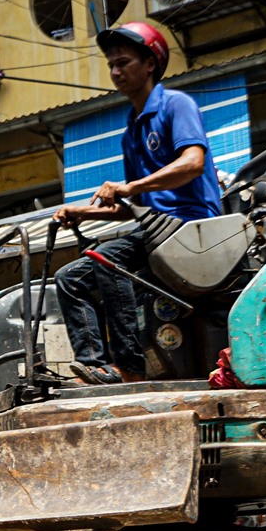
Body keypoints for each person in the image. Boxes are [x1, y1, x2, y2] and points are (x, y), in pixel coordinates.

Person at [52, 22, 224, 384]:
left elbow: (192, 164)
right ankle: (95, 365)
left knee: (109, 258)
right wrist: (82, 211)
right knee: (68, 278)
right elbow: (132, 205)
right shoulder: (131, 132)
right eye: (111, 65)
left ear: (149, 64)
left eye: (124, 62)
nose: (115, 72)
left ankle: (129, 365)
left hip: (192, 228)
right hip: (156, 231)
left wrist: (128, 187)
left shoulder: (176, 105)